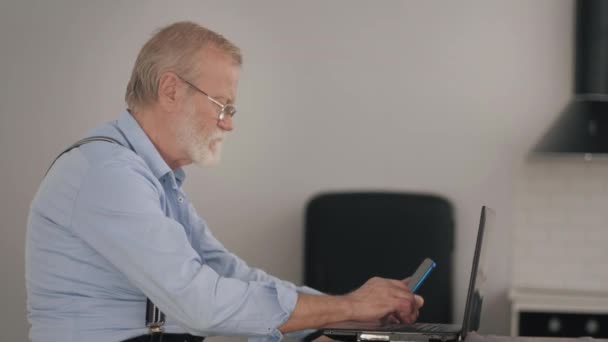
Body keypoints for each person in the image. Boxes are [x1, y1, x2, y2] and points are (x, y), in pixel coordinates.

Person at [25, 21, 423, 342]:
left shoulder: (156, 181)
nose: (229, 123)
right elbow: (203, 304)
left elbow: (231, 274)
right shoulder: (108, 172)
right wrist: (350, 308)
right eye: (222, 106)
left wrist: (351, 311)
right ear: (170, 90)